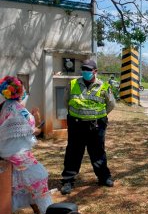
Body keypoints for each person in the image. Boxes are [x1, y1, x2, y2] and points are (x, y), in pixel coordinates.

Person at [60, 59, 116, 195]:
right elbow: (66, 101)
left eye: (88, 69)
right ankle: (68, 181)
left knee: (98, 152)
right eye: (83, 69)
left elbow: (111, 104)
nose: (85, 71)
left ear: (95, 71)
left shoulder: (103, 86)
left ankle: (104, 178)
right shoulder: (73, 84)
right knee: (73, 152)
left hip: (96, 125)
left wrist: (97, 116)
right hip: (76, 124)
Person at [0, 76, 53, 214]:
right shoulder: (21, 111)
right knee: (39, 178)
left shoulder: (3, 107)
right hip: (18, 154)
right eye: (23, 89)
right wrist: (37, 117)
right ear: (19, 92)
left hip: (5, 154)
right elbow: (34, 130)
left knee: (15, 184)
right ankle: (46, 210)